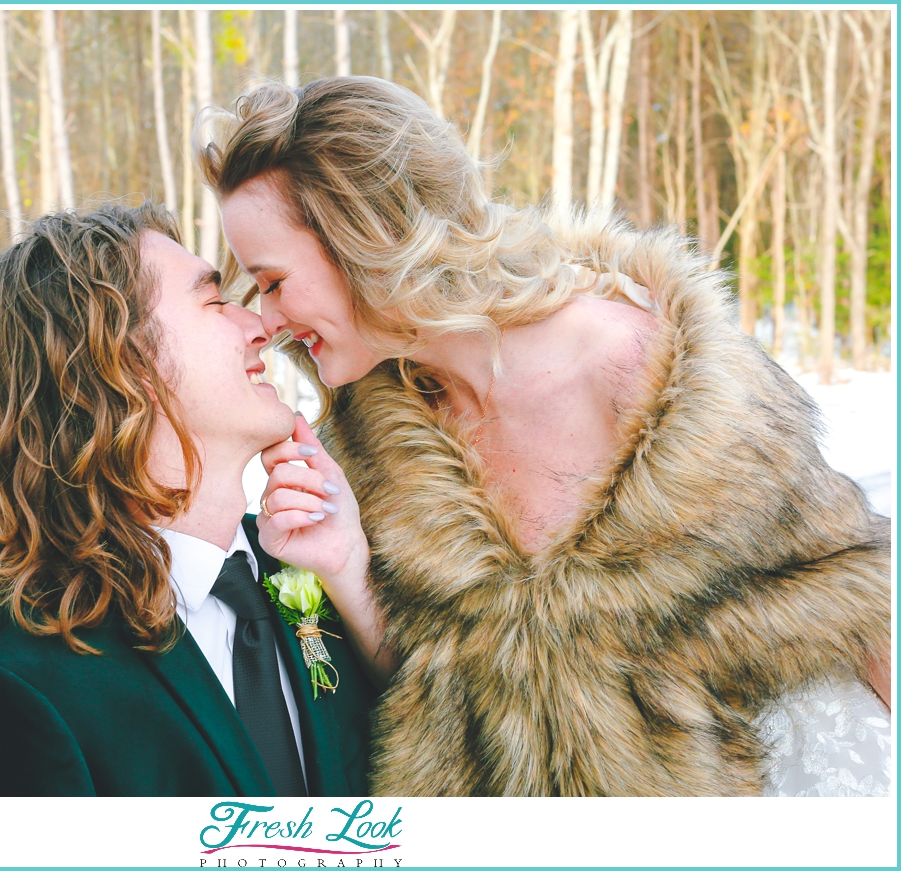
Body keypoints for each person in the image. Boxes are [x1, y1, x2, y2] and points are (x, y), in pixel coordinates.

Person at [196, 76, 892, 796]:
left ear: (366, 238)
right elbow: (425, 686)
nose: (268, 320)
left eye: (273, 281)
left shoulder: (679, 385)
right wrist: (344, 563)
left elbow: (862, 595)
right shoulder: (365, 436)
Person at [0, 203, 376, 796]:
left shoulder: (329, 578)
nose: (263, 326)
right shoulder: (3, 695)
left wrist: (350, 575)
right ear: (114, 365)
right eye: (213, 302)